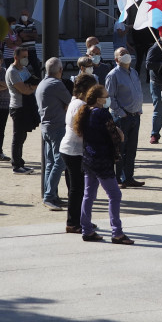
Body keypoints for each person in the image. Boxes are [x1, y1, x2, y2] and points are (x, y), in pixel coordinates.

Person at [74, 85, 133, 245]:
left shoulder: (86, 112)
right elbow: (114, 135)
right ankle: (117, 232)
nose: (108, 99)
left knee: (89, 195)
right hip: (102, 160)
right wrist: (120, 135)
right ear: (99, 99)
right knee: (115, 195)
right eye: (106, 96)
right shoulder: (101, 113)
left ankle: (86, 229)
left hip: (88, 159)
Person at [60, 74, 97, 234]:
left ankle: (80, 219)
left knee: (75, 188)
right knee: (77, 189)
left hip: (69, 149)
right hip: (74, 150)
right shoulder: (81, 105)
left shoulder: (75, 102)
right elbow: (83, 129)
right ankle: (73, 222)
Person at [105, 47, 145, 188]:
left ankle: (129, 177)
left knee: (131, 149)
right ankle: (117, 179)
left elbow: (138, 91)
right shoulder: (113, 75)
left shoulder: (133, 72)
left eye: (127, 52)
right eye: (122, 54)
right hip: (122, 117)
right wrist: (121, 113)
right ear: (116, 59)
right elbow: (110, 98)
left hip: (135, 116)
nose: (126, 55)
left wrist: (139, 109)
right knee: (119, 149)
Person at [36, 58, 72, 210]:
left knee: (51, 162)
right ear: (60, 70)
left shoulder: (42, 83)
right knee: (60, 161)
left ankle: (51, 195)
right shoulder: (57, 84)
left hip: (46, 126)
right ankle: (50, 195)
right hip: (57, 127)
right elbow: (70, 102)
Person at [6, 46, 38, 174]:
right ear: (16, 57)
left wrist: (30, 87)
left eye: (27, 56)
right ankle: (16, 165)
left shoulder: (24, 69)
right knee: (17, 136)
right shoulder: (12, 71)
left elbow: (34, 83)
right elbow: (24, 89)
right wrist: (30, 87)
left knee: (23, 135)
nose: (26, 59)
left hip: (27, 105)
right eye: (23, 57)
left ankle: (20, 162)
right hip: (18, 107)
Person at [145, 40, 162, 145]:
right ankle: (154, 134)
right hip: (157, 83)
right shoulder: (155, 48)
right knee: (158, 108)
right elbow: (148, 64)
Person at [13, 10, 40, 74]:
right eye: (23, 14)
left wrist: (26, 34)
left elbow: (35, 36)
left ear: (28, 15)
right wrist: (30, 34)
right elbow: (22, 36)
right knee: (23, 65)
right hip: (23, 50)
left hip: (32, 49)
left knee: (36, 66)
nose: (24, 16)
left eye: (25, 15)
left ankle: (38, 79)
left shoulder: (32, 23)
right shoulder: (18, 25)